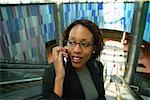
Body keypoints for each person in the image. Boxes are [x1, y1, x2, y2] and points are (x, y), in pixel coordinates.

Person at [43, 19, 106, 99]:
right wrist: (59, 78)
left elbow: (101, 96)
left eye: (84, 44)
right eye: (72, 42)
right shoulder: (52, 74)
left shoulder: (97, 67)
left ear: (94, 48)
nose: (76, 50)